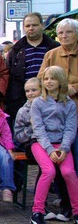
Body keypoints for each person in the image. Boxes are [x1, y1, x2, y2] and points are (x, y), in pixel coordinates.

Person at [29, 66, 78, 224]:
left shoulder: (69, 104)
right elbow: (38, 128)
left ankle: (76, 210)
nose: (49, 82)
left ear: (61, 81)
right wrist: (50, 150)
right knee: (48, 171)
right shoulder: (38, 103)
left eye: (53, 78)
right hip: (41, 143)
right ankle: (37, 212)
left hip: (62, 145)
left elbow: (71, 128)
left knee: (68, 172)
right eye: (46, 78)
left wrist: (64, 148)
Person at [37, 19, 78, 172]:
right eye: (61, 33)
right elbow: (40, 79)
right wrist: (65, 88)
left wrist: (74, 88)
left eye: (69, 32)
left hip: (75, 111)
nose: (64, 36)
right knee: (59, 159)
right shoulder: (51, 55)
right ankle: (63, 195)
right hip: (55, 115)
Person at [5, 12, 59, 125]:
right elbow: (9, 76)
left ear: (42, 25)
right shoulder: (15, 51)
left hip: (50, 99)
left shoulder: (54, 48)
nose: (31, 28)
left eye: (34, 25)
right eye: (28, 26)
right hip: (22, 101)